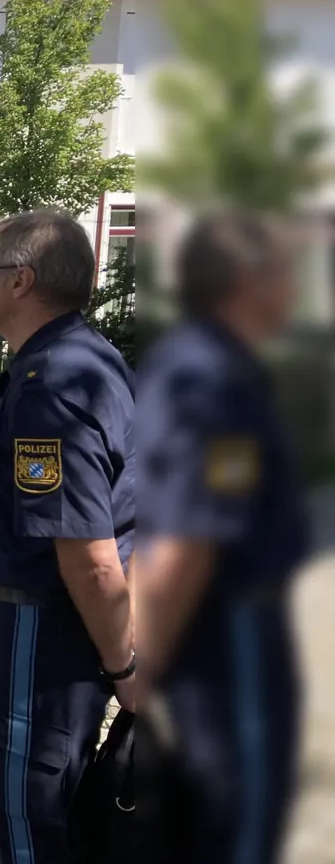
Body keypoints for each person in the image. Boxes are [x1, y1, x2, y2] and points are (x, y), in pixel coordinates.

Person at [0, 210, 136, 864]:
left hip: (36, 636)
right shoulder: (88, 357)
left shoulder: (52, 387)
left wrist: (127, 669)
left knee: (25, 819)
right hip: (52, 631)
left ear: (21, 280)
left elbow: (89, 557)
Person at [131, 213, 308, 864]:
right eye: (285, 273)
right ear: (247, 281)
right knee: (240, 821)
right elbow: (190, 535)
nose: (296, 288)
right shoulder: (210, 377)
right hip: (229, 639)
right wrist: (144, 668)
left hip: (222, 632)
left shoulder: (209, 363)